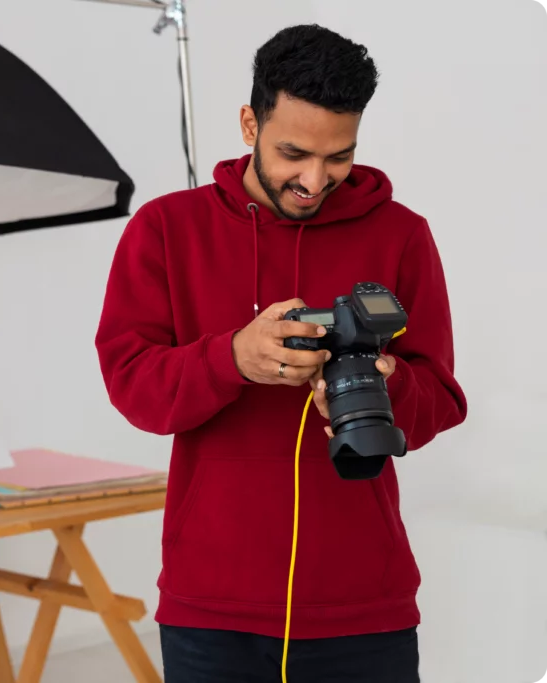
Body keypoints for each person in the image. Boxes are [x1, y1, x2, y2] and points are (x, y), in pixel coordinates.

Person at [94, 24, 467, 682]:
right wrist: (232, 357)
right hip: (211, 608)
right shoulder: (165, 229)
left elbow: (441, 397)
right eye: (294, 152)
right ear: (249, 122)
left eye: (339, 156)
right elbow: (133, 388)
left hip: (363, 607)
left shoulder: (402, 235)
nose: (314, 179)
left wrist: (387, 382)